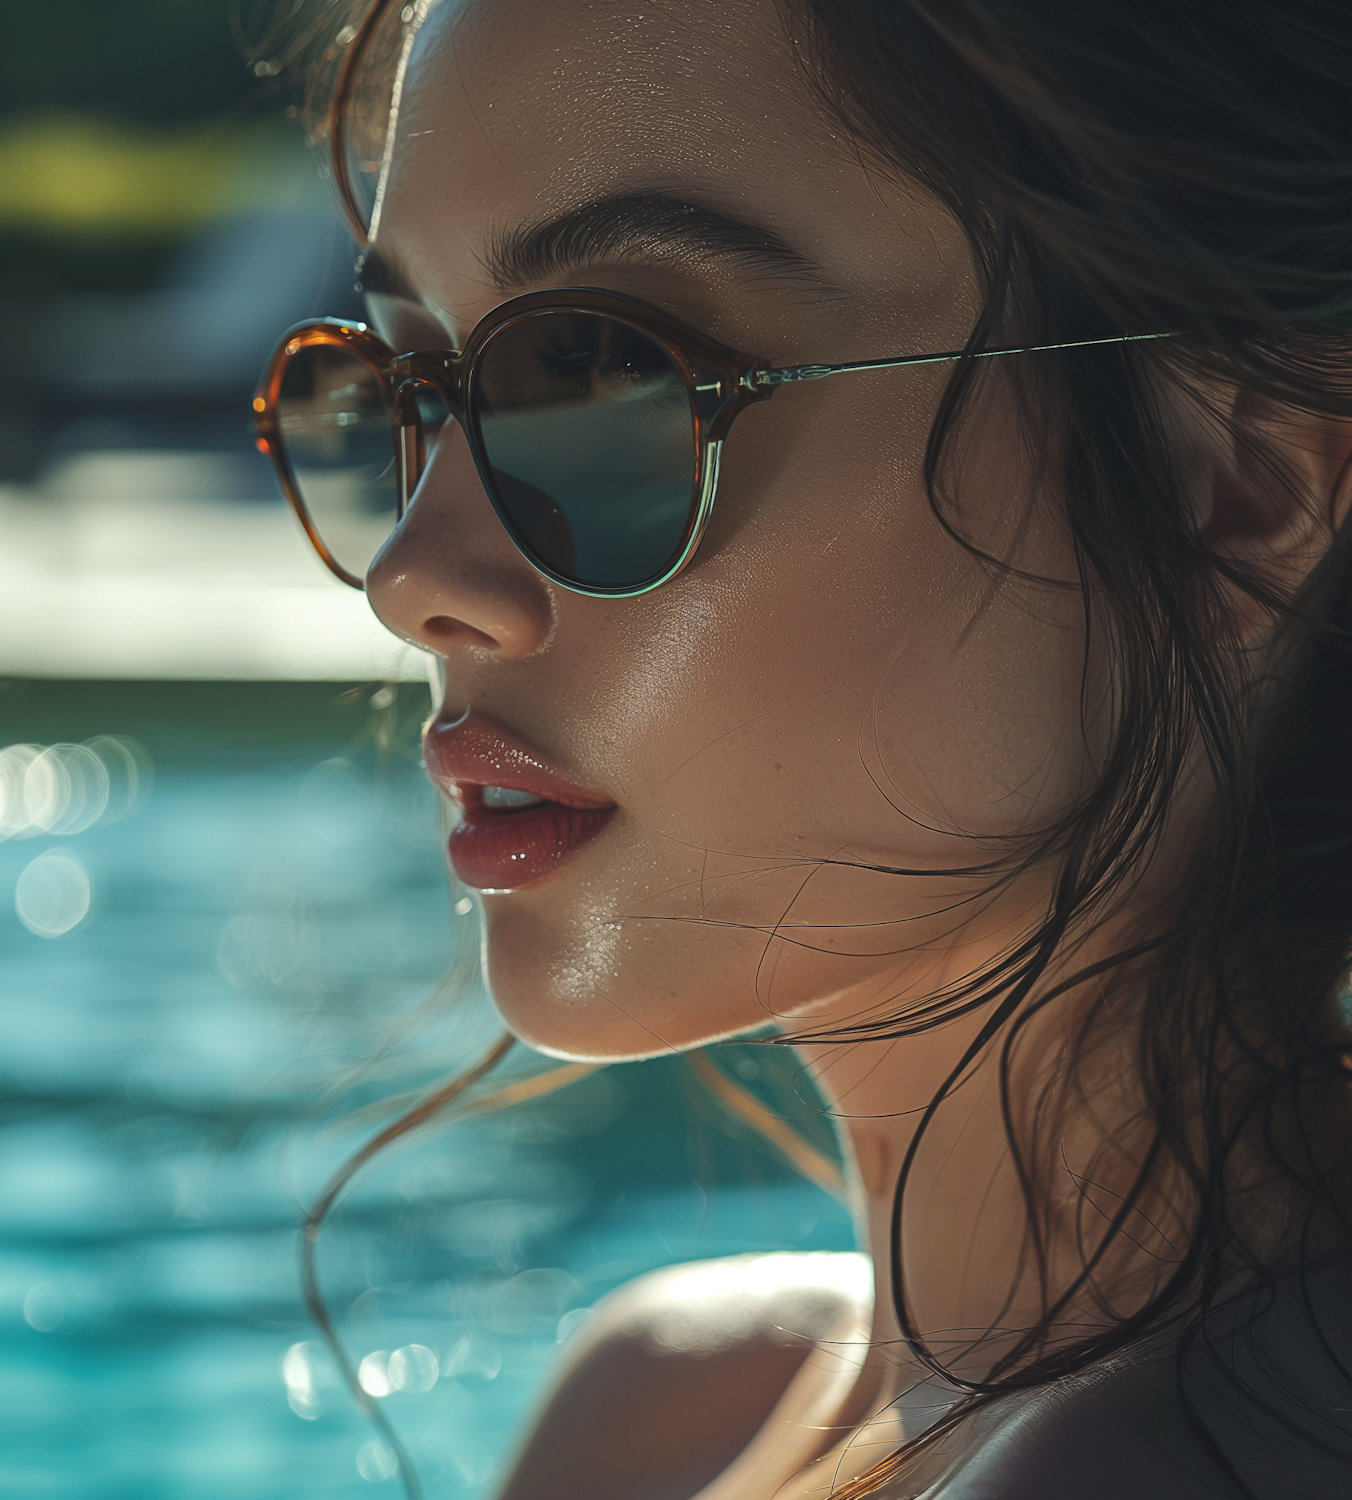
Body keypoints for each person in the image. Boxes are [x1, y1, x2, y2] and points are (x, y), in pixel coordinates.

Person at [253, 1, 1352, 1494]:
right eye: (412, 391)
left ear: (1228, 490)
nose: (413, 575)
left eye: (599, 375)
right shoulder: (663, 1407)